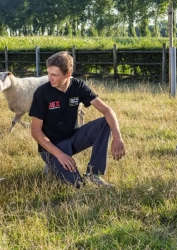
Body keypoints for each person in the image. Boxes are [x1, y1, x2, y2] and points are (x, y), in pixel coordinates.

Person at [29, 51, 125, 188]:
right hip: (51, 148)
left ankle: (93, 174)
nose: (50, 78)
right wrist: (59, 154)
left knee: (104, 123)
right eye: (48, 73)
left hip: (73, 138)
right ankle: (52, 164)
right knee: (77, 184)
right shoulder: (42, 93)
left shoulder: (78, 86)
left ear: (68, 74)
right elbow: (35, 131)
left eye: (54, 75)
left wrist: (117, 137)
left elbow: (107, 110)